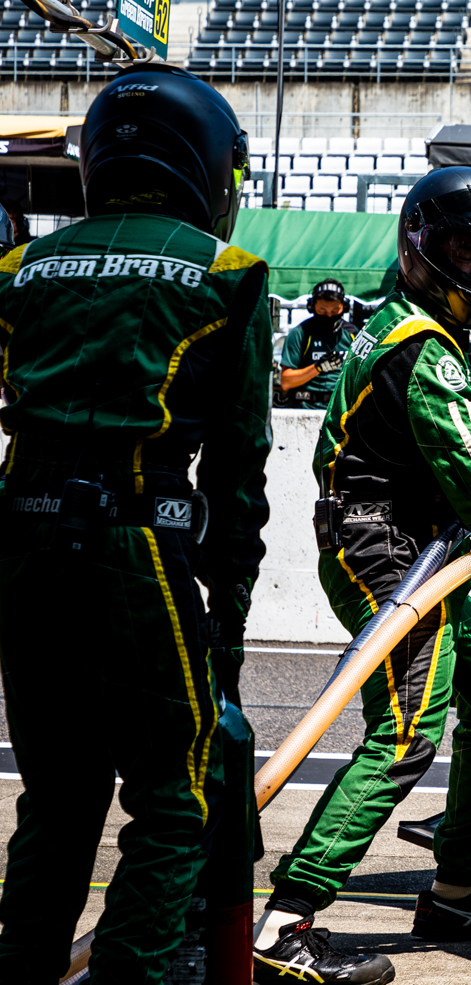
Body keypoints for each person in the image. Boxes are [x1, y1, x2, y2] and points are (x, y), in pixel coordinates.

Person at [252, 167, 471, 984]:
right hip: (385, 555)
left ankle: (452, 890)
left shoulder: (403, 330)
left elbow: (464, 458)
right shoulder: (424, 351)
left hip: (407, 550)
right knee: (407, 732)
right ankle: (286, 921)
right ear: (422, 248)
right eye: (467, 251)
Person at [0, 63, 270, 984]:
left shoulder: (18, 267)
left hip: (22, 538)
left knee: (58, 796)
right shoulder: (228, 275)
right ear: (203, 162)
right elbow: (238, 478)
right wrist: (225, 626)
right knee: (173, 793)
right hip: (139, 543)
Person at [277, 278, 358, 409]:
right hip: (304, 407)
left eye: (335, 310)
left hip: (339, 409)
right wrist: (318, 368)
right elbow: (286, 381)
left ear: (344, 307)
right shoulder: (300, 333)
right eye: (322, 310)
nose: (329, 315)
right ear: (312, 306)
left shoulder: (352, 334)